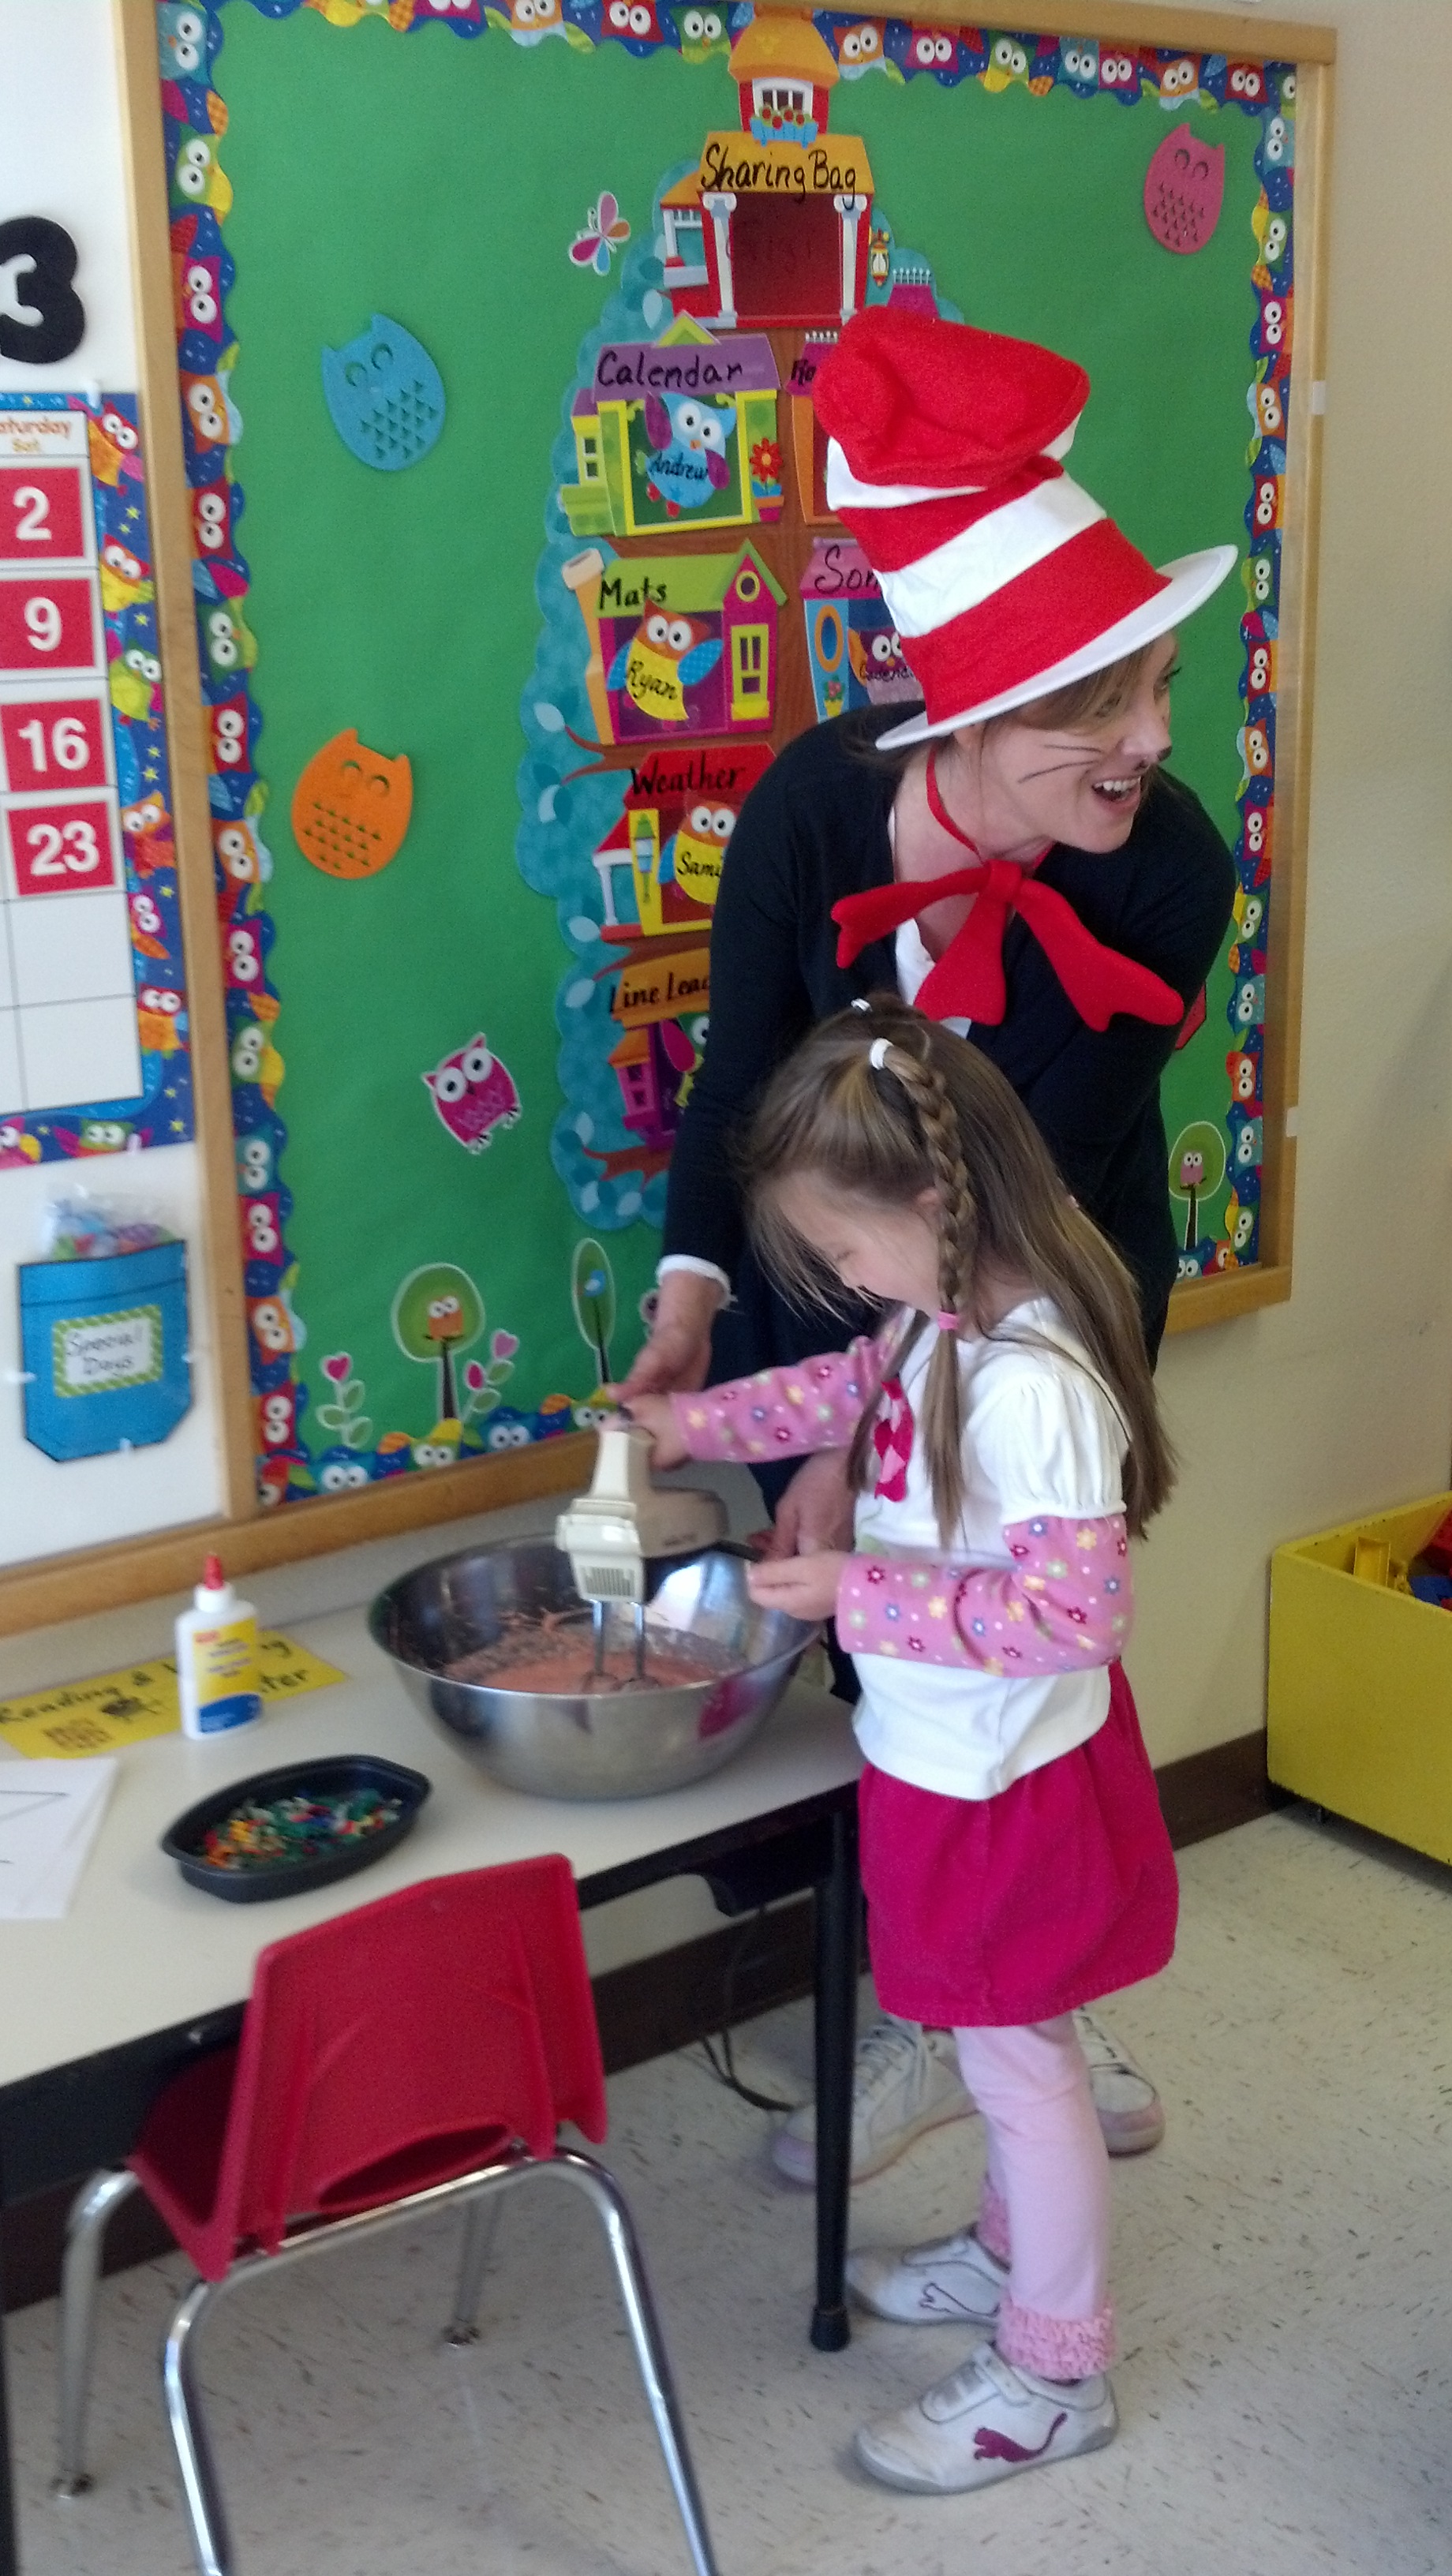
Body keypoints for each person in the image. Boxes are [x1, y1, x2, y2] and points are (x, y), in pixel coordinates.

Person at [619, 305, 1236, 2184]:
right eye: (1095, 711)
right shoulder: (811, 812)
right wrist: (690, 1307)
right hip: (829, 1290)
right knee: (888, 1670)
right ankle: (951, 2004)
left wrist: (855, 1440)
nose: (1150, 740)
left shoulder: (1167, 870)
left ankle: (1021, 2004)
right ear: (968, 714)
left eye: (1153, 688)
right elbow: (740, 1079)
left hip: (1038, 1289)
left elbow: (1010, 1200)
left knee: (1026, 1649)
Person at [628, 1000, 1179, 2492]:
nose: (846, 1283)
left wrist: (853, 1593)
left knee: (1021, 2069)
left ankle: (1054, 2376)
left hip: (1005, 1785)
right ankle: (1009, 2257)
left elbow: (1076, 1615)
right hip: (956, 1762)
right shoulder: (941, 1320)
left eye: (847, 1252)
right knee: (1009, 2058)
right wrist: (691, 1429)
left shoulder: (1033, 1383)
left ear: (936, 1203)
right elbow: (838, 1392)